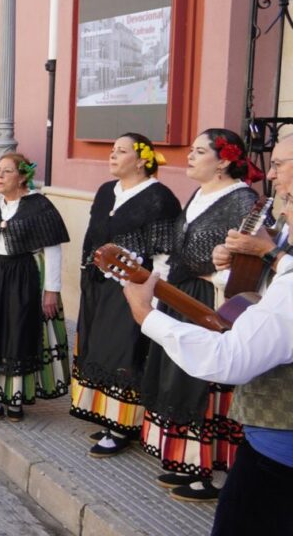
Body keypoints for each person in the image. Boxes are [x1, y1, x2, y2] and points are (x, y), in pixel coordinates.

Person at [119, 139, 293, 534]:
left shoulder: (242, 201)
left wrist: (145, 313)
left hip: (279, 450)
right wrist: (233, 265)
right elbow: (256, 291)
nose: (271, 175)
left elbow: (230, 359)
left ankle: (200, 469)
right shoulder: (200, 196)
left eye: (280, 164)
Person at [139, 128, 256, 501]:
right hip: (183, 294)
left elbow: (248, 262)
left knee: (205, 380)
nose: (189, 155)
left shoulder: (242, 200)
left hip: (212, 300)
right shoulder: (198, 194)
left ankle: (210, 470)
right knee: (179, 373)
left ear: (223, 161)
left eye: (199, 151)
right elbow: (181, 246)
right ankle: (189, 461)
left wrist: (213, 275)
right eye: (190, 149)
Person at [70, 133, 181, 457]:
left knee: (126, 352)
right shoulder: (107, 192)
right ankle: (107, 415)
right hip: (98, 286)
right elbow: (93, 235)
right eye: (112, 149)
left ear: (142, 159)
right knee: (102, 348)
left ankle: (123, 425)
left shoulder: (160, 198)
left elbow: (163, 253)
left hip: (133, 288)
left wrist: (156, 298)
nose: (112, 155)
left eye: (121, 151)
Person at [0, 154, 70, 425]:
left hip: (25, 275)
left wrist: (51, 291)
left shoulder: (39, 206)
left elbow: (52, 248)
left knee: (19, 332)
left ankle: (15, 398)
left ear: (22, 177)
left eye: (6, 172)